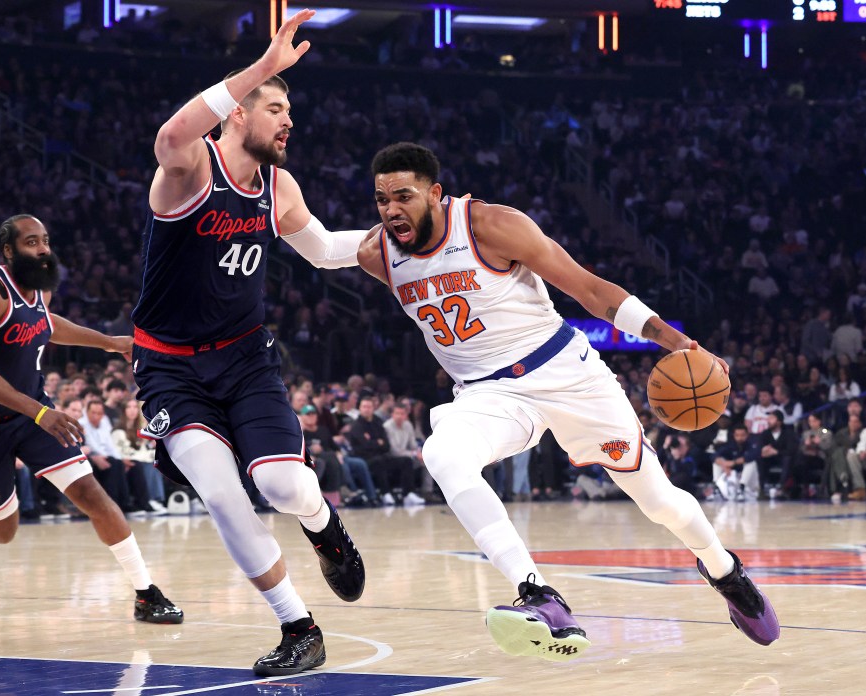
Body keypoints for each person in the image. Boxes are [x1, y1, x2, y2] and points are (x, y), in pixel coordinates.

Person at [354, 142, 779, 660]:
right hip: (490, 395)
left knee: (659, 501)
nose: (392, 208)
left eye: (404, 195)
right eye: (381, 200)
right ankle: (539, 595)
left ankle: (722, 569)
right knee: (443, 456)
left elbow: (590, 290)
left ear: (436, 194)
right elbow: (318, 243)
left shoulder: (491, 225)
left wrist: (676, 341)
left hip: (568, 376)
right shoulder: (377, 255)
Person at [131, 9, 363, 676]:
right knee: (223, 492)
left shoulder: (276, 185)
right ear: (238, 113)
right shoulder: (190, 170)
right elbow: (171, 132)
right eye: (275, 107)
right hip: (170, 369)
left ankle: (323, 526)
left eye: (290, 108)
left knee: (285, 486)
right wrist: (262, 67)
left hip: (244, 360)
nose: (288, 120)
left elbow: (321, 251)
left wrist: (403, 242)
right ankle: (301, 627)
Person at [0, 214, 182, 625]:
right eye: (32, 242)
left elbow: (46, 327)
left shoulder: (41, 290)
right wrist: (41, 412)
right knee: (2, 530)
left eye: (46, 240)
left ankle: (145, 594)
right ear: (9, 250)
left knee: (92, 495)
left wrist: (108, 343)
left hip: (32, 412)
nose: (43, 249)